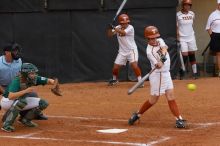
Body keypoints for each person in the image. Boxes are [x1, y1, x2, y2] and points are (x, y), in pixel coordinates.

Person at [128, 26, 186, 128]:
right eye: (151, 38)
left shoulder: (159, 40)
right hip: (158, 75)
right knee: (153, 100)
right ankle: (138, 114)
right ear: (147, 39)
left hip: (166, 73)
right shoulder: (149, 52)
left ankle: (179, 119)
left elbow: (165, 48)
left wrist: (162, 57)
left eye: (155, 37)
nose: (154, 40)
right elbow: (159, 65)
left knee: (171, 96)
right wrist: (160, 62)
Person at [1, 63, 61, 132]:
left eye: (34, 73)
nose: (34, 75)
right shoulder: (17, 80)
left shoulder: (33, 78)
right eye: (32, 73)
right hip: (6, 102)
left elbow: (51, 81)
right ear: (25, 74)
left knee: (43, 103)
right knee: (22, 101)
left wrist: (55, 85)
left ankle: (25, 120)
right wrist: (25, 91)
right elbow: (10, 96)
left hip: (17, 99)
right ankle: (6, 125)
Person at [0, 43, 48, 120]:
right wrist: (5, 92)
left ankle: (25, 114)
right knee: (6, 99)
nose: (16, 53)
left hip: (13, 85)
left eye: (17, 51)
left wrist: (23, 88)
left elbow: (21, 75)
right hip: (1, 86)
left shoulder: (19, 61)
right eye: (14, 51)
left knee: (32, 94)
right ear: (7, 52)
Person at [107, 14, 143, 86]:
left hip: (131, 50)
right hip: (122, 51)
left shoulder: (130, 27)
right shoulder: (118, 27)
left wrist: (113, 27)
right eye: (123, 23)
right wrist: (109, 28)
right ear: (120, 23)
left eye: (127, 22)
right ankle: (114, 80)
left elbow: (123, 32)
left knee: (134, 65)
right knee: (115, 67)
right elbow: (109, 35)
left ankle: (140, 81)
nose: (125, 24)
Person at [176, 0, 199, 79]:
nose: (187, 7)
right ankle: (182, 72)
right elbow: (177, 27)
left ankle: (195, 73)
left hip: (191, 36)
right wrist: (178, 37)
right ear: (183, 5)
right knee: (185, 55)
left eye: (189, 5)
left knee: (192, 53)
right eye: (186, 5)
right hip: (182, 38)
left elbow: (191, 24)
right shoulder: (178, 15)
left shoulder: (192, 14)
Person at [206, 0, 220, 77]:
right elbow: (208, 27)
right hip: (216, 35)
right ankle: (219, 71)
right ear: (218, 5)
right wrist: (213, 36)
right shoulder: (213, 15)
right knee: (219, 54)